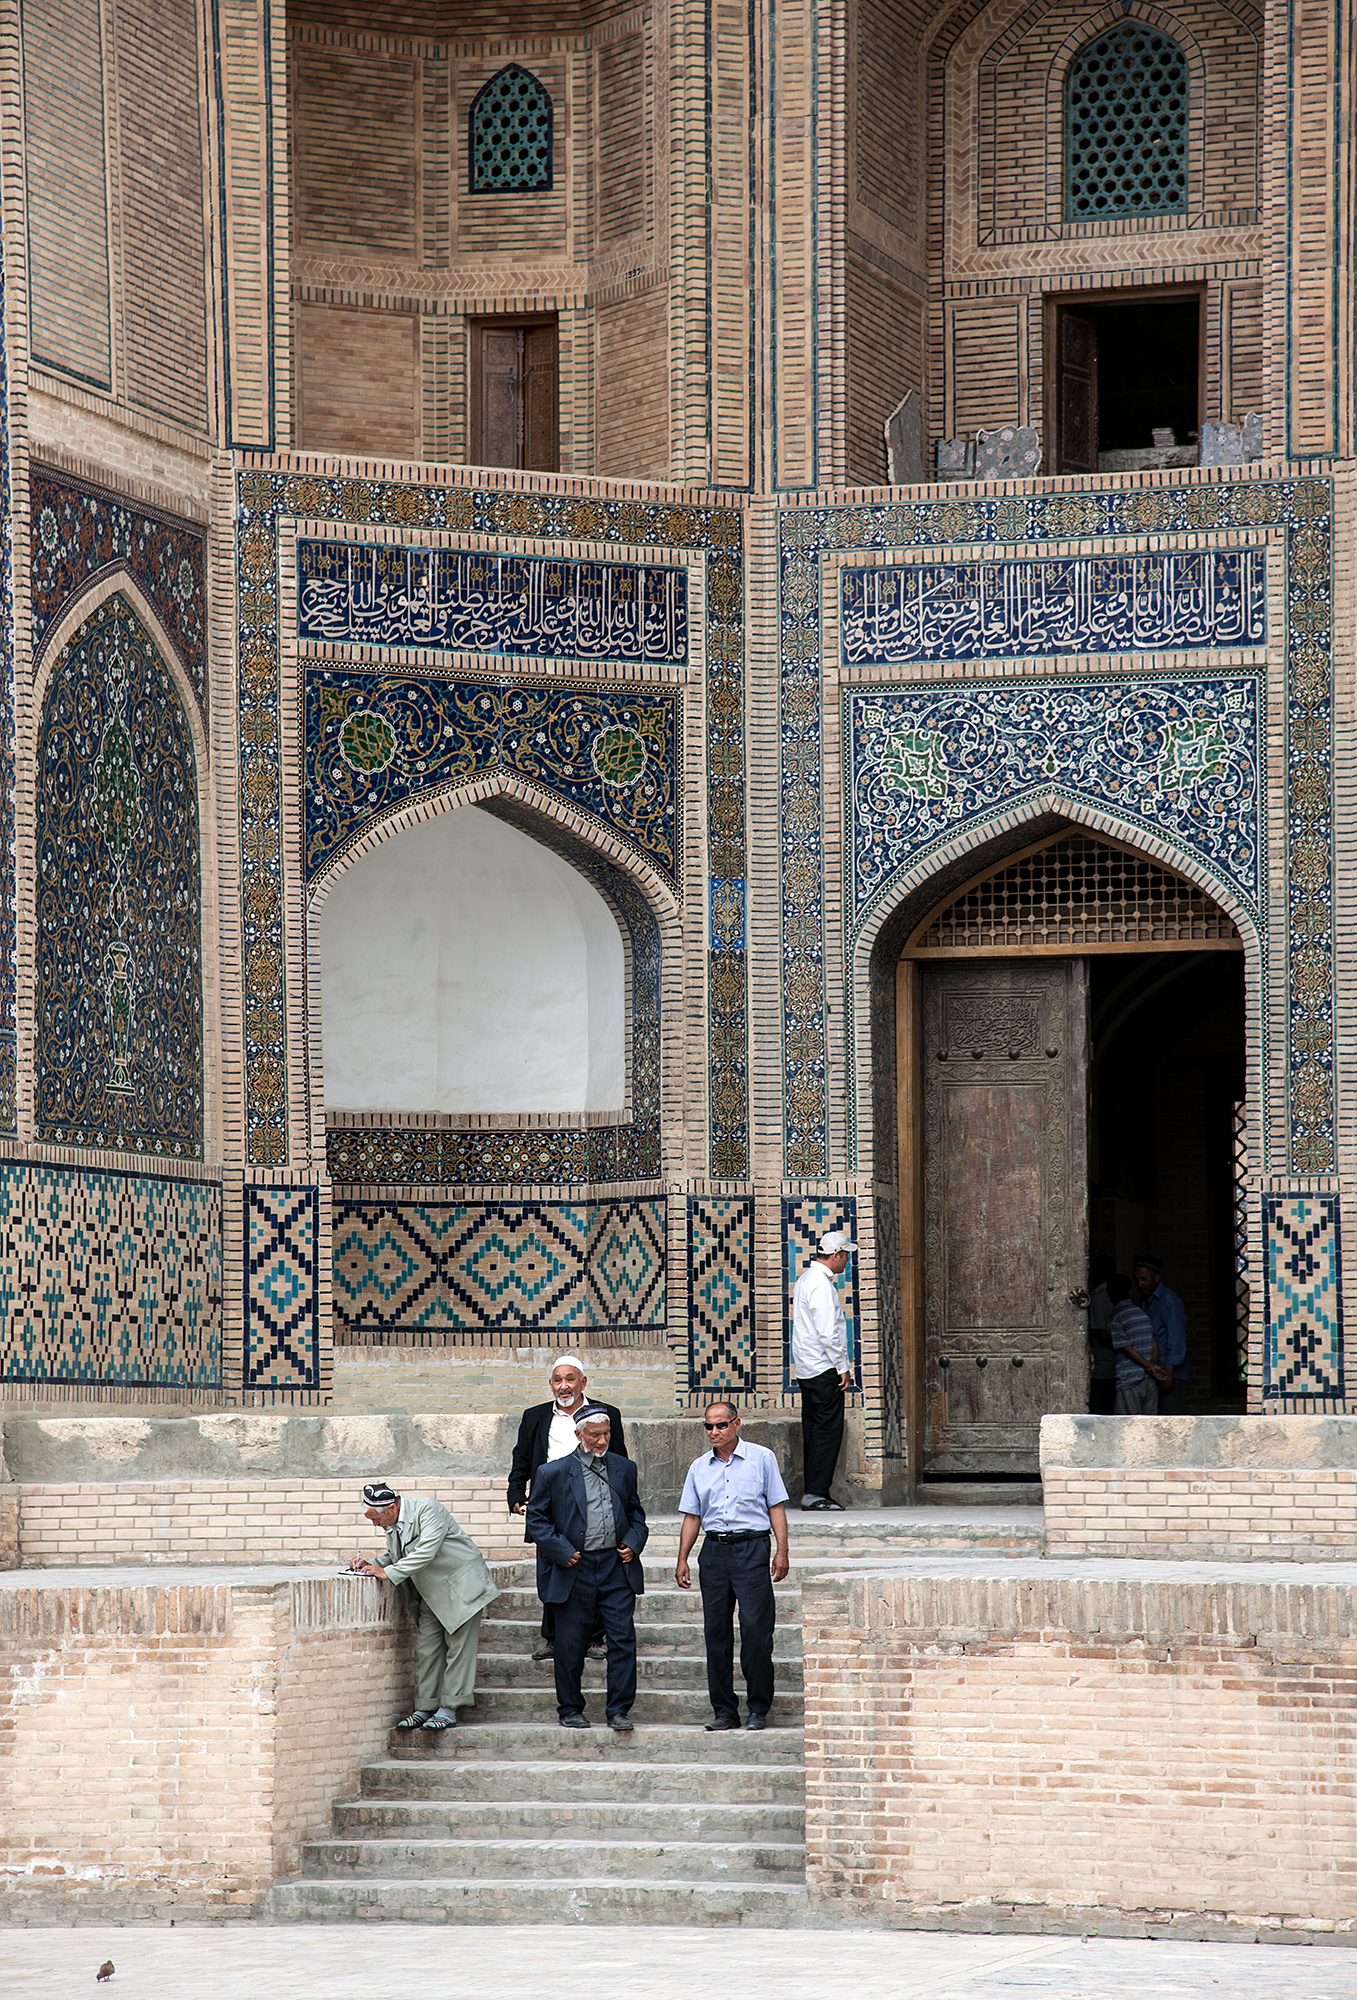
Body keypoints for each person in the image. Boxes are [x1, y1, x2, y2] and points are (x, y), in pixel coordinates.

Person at [524, 1405, 648, 1731]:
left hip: (615, 1565)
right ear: (579, 1435)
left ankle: (619, 1710)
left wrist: (633, 1542)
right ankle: (570, 1709)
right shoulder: (552, 1472)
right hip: (575, 1567)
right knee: (569, 1643)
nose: (602, 1440)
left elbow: (636, 1514)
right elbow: (537, 1520)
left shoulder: (625, 1468)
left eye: (606, 1434)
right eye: (594, 1435)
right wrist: (562, 1551)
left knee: (622, 1639)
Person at [675, 1402, 790, 1733]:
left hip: (752, 1549)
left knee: (755, 1630)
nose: (714, 1432)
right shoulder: (699, 1467)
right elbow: (692, 1515)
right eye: (708, 1426)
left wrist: (782, 1551)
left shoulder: (761, 1458)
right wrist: (682, 1557)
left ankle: (758, 1708)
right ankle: (724, 1710)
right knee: (716, 1633)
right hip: (714, 1552)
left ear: (736, 1424)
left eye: (721, 1425)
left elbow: (776, 1506)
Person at [350, 1479, 499, 1731]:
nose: (375, 1524)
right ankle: (425, 1707)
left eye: (376, 1518)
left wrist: (389, 1573)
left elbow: (425, 1551)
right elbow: (396, 1555)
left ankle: (449, 1707)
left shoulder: (428, 1509)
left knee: (458, 1650)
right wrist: (372, 1564)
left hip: (461, 1587)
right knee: (427, 1648)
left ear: (392, 1508)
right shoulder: (392, 1523)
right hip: (431, 1592)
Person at [507, 1354, 628, 1661]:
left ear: (583, 1382)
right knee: (554, 1568)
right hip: (552, 1503)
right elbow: (522, 1458)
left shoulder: (606, 1414)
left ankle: (594, 1638)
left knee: (596, 1568)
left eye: (570, 1379)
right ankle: (553, 1638)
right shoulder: (535, 1416)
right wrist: (516, 1492)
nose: (564, 1386)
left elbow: (620, 1460)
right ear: (551, 1384)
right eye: (558, 1380)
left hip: (594, 1502)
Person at [790, 1228, 855, 1510]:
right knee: (827, 1432)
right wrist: (843, 1366)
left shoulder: (806, 1279)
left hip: (808, 1368)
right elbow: (828, 1332)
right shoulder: (820, 1284)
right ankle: (816, 1493)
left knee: (815, 1430)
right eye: (846, 1255)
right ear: (836, 1255)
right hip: (823, 1369)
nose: (847, 1261)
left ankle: (814, 1491)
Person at [1107, 1272, 1168, 1415]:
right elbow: (1154, 1343)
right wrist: (1152, 1366)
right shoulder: (1142, 1314)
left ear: (1107, 1293)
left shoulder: (1116, 1318)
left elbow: (1126, 1348)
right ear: (1130, 1291)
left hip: (1129, 1381)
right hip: (1149, 1381)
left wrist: (1149, 1366)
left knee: (1127, 1424)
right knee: (1149, 1423)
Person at [1133, 1254, 1187, 1408]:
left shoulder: (1169, 1301)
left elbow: (1176, 1338)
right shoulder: (1144, 1300)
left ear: (1156, 1278)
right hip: (1153, 1372)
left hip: (1170, 1374)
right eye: (1137, 1280)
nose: (1140, 1284)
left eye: (1144, 1279)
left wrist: (1168, 1371)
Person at [1087, 1253, 1116, 1415]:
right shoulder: (1115, 1295)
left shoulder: (1098, 1298)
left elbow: (1102, 1333)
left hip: (1102, 1366)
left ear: (1092, 1273)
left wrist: (1120, 1348)